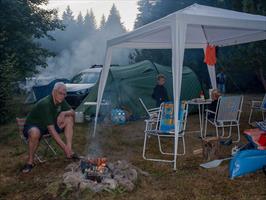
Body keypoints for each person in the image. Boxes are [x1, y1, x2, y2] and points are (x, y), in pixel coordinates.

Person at [22, 82, 77, 173]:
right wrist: (64, 148)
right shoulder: (46, 103)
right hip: (34, 126)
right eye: (60, 93)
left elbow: (72, 112)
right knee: (35, 133)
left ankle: (69, 150)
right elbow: (52, 131)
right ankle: (30, 162)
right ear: (53, 92)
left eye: (64, 94)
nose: (63, 96)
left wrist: (64, 113)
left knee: (69, 118)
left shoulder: (61, 100)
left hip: (48, 125)